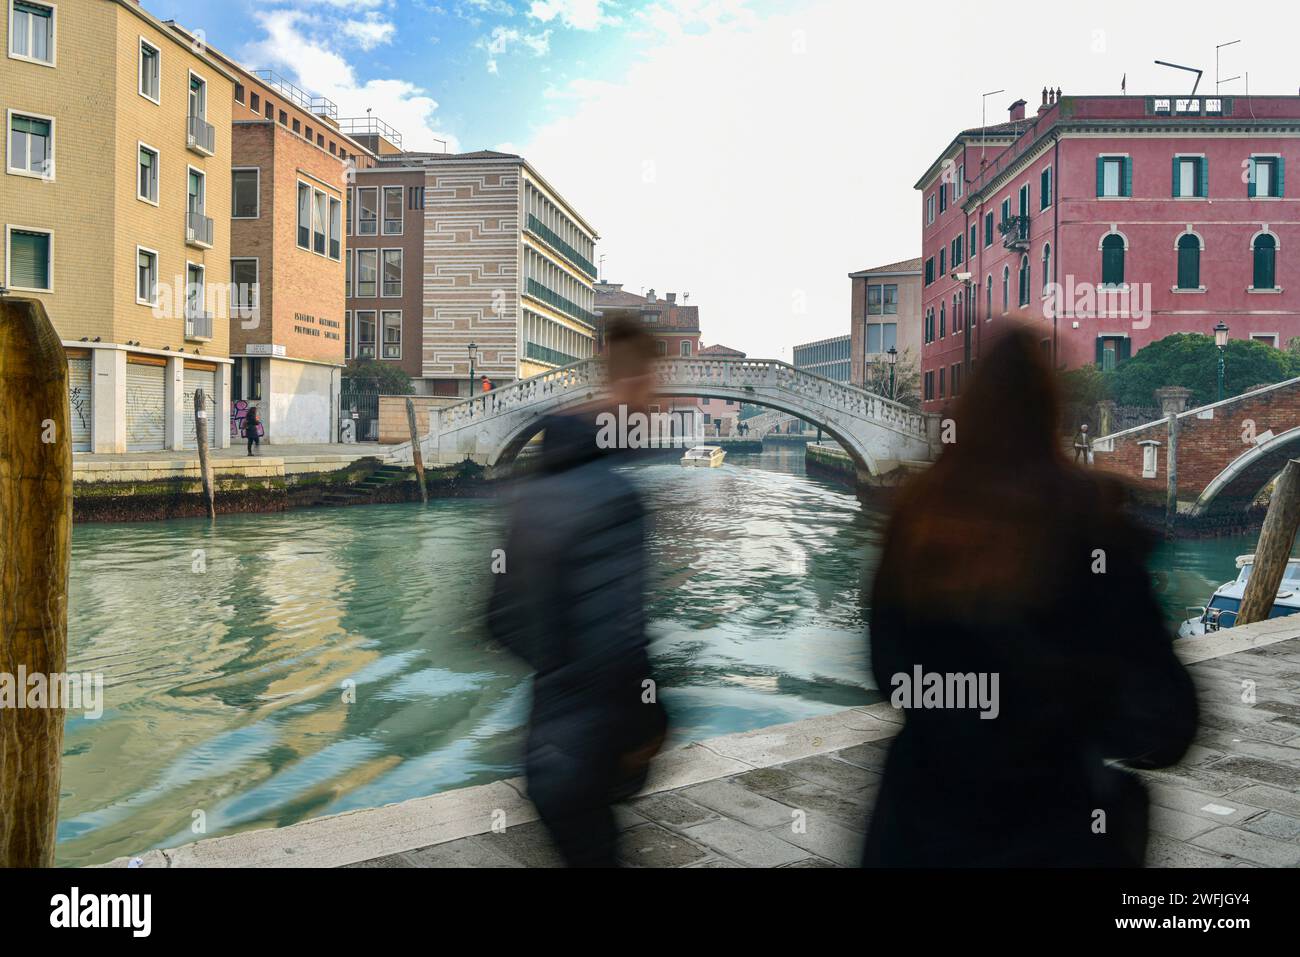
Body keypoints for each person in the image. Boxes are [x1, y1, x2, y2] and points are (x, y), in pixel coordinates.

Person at [862, 325, 1196, 868]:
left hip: (920, 825)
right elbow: (1166, 721)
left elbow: (889, 673)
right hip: (1050, 829)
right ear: (1050, 409)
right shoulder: (1090, 522)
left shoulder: (917, 517)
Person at [487, 317, 668, 867]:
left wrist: (560, 676)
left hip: (544, 741)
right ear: (633, 384)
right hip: (592, 749)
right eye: (655, 384)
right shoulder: (614, 498)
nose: (659, 401)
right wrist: (649, 727)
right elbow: (619, 640)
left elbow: (500, 621)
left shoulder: (534, 492)